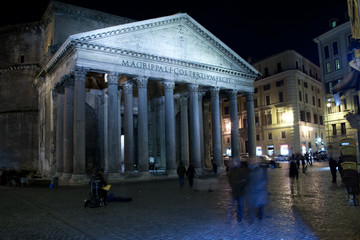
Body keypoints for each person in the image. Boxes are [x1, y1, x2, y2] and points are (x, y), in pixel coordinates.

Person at [247, 158, 268, 222]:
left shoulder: (256, 170)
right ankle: (257, 217)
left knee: (254, 204)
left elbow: (261, 180)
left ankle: (254, 217)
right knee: (257, 204)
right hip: (257, 190)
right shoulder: (252, 169)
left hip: (256, 190)